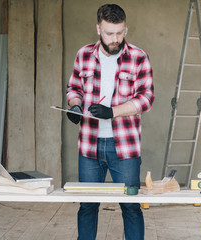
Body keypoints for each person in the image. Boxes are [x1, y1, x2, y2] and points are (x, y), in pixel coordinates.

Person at [66, 4, 154, 240]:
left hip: (124, 147)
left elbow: (146, 98)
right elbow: (74, 88)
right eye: (109, 33)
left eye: (120, 32)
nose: (115, 39)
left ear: (125, 28)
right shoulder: (83, 54)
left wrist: (112, 112)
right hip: (89, 146)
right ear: (98, 29)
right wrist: (75, 105)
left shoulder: (138, 57)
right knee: (87, 206)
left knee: (131, 206)